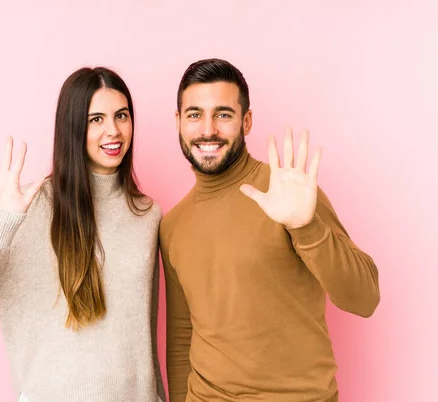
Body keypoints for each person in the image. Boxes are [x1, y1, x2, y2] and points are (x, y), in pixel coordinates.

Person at [0, 66, 166, 402]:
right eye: (96, 119)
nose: (114, 131)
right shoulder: (25, 210)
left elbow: (146, 336)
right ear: (72, 127)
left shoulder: (147, 215)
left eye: (121, 115)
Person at [159, 58, 380, 402]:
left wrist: (306, 226)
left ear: (246, 122)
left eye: (223, 114)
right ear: (178, 121)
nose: (207, 129)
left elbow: (365, 298)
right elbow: (182, 336)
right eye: (194, 114)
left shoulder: (287, 191)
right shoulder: (172, 225)